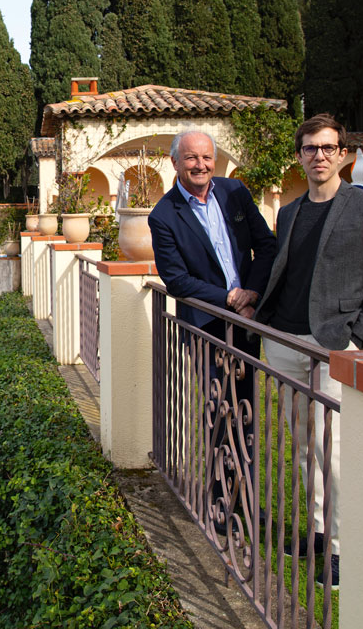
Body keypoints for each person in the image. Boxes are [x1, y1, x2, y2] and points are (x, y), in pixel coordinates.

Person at [254, 113, 363, 587]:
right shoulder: (292, 211)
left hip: (334, 345)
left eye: (327, 147)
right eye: (309, 148)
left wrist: (359, 339)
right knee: (301, 447)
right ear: (299, 156)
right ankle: (319, 531)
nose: (318, 156)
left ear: (341, 153)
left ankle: (341, 547)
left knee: (333, 449)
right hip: (284, 341)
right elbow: (286, 274)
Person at [149, 129, 277, 532]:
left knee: (248, 414)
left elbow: (266, 245)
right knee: (222, 415)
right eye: (191, 158)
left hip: (247, 321)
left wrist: (251, 294)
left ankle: (248, 502)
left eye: (207, 157)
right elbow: (177, 280)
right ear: (175, 163)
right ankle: (225, 507)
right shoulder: (164, 215)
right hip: (208, 328)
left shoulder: (235, 192)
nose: (201, 165)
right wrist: (229, 297)